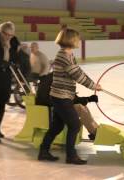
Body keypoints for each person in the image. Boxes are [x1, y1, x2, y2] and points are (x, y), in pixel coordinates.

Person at [38, 28, 102, 165]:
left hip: (62, 96)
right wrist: (93, 86)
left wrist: (93, 84)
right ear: (71, 40)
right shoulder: (64, 56)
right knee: (74, 125)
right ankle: (71, 156)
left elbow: (79, 71)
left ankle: (43, 151)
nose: (79, 41)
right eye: (77, 38)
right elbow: (77, 75)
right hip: (61, 97)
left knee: (57, 127)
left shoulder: (69, 55)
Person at [35, 73, 99, 140]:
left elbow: (71, 97)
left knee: (82, 106)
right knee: (80, 108)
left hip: (58, 105)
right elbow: (45, 98)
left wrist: (88, 99)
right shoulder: (52, 79)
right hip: (51, 108)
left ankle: (94, 129)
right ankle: (94, 132)